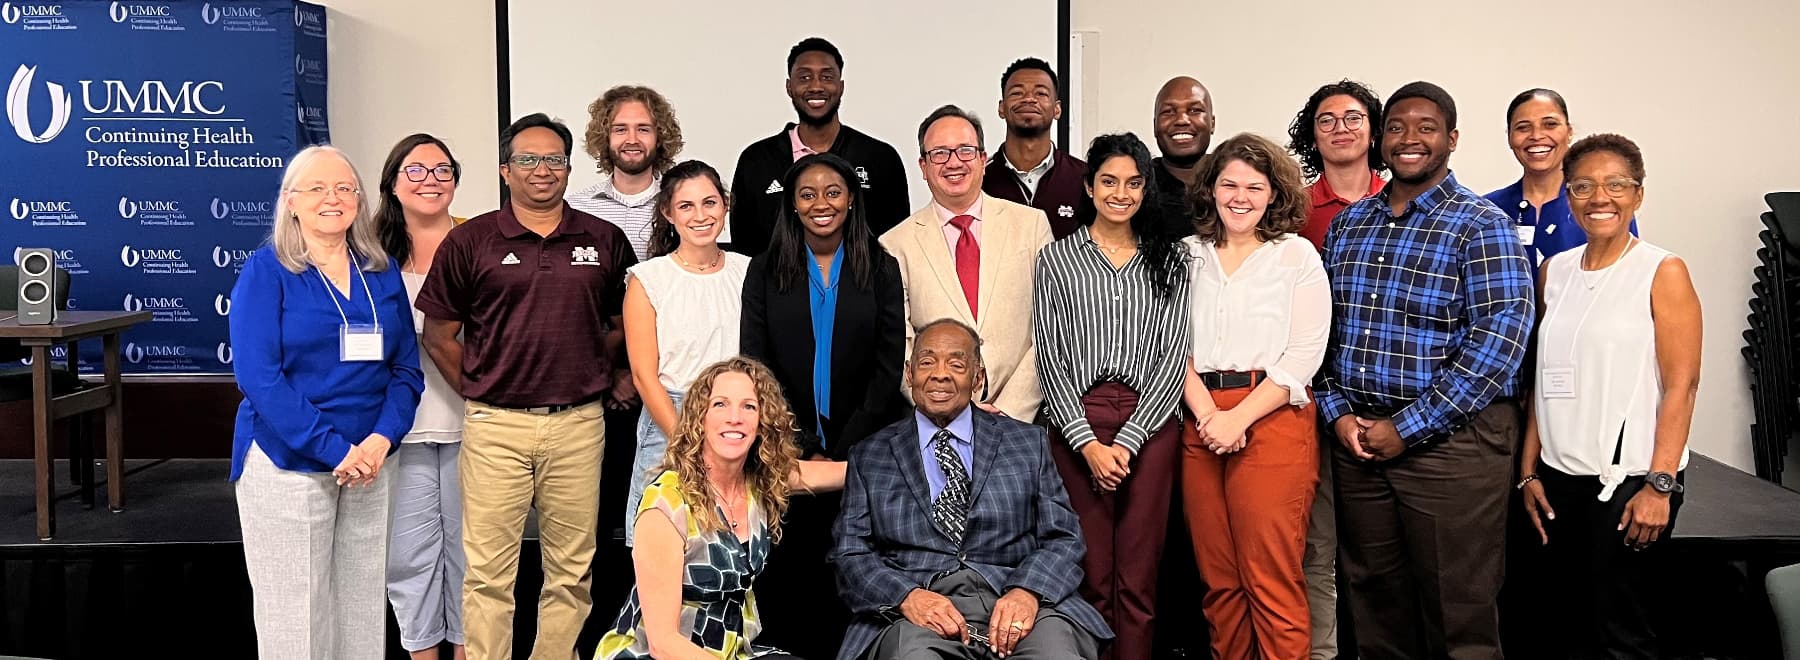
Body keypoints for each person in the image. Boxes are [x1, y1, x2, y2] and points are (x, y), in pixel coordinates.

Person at [1315, 82, 1534, 660]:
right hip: (1358, 444)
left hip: (1453, 449)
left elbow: (1499, 342)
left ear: (1452, 139)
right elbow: (1323, 333)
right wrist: (1338, 415)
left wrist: (1406, 428)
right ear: (1381, 140)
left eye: (1426, 127)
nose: (1410, 139)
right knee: (1376, 609)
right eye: (1397, 127)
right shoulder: (1350, 225)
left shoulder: (1480, 224)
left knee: (1457, 614)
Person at [416, 113, 637, 660]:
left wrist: (584, 359)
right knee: (489, 575)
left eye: (555, 160)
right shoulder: (469, 241)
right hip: (495, 429)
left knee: (570, 572)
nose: (543, 170)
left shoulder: (604, 239)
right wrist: (482, 385)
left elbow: (621, 325)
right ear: (504, 170)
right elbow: (439, 334)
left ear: (568, 168)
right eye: (528, 160)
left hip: (580, 427)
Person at [229, 144, 424, 660]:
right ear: (290, 201)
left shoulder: (379, 269)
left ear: (359, 201)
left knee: (361, 613)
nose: (332, 198)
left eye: (344, 188)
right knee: (296, 620)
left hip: (372, 463)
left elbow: (406, 369)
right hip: (289, 464)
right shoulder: (265, 271)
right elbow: (259, 379)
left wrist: (381, 440)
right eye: (316, 188)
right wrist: (337, 450)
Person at [1519, 134, 1701, 658]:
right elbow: (1543, 380)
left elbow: (1682, 386)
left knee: (1622, 635)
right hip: (1556, 483)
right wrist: (1529, 471)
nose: (1601, 197)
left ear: (1638, 195)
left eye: (1616, 184)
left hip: (1630, 487)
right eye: (1584, 186)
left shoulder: (1662, 271)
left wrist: (1660, 487)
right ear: (1568, 196)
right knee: (1562, 626)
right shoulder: (1555, 272)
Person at [832, 319, 1111, 660]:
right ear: (909, 374)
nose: (940, 374)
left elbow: (1064, 537)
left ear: (977, 378)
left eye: (957, 364)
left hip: (1021, 602)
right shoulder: (870, 456)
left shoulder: (1026, 443)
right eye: (927, 361)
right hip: (919, 612)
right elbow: (850, 553)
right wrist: (907, 597)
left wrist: (1028, 591)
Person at [741, 152, 909, 658]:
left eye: (833, 192)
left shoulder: (881, 267)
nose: (821, 203)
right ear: (792, 205)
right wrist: (804, 444)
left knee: (853, 568)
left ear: (851, 200)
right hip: (786, 453)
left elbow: (888, 363)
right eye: (807, 194)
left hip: (862, 448)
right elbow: (757, 363)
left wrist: (844, 446)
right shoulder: (765, 270)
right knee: (791, 574)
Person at [1032, 132, 1187, 660]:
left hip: (1151, 422)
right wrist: (1088, 445)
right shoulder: (1057, 260)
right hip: (1079, 419)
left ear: (1146, 189)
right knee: (1091, 574)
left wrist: (1130, 440)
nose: (1121, 193)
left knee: (1139, 581)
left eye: (1134, 182)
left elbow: (1173, 356)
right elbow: (1049, 356)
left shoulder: (1169, 259)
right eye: (1109, 181)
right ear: (1090, 187)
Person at [1180, 132, 1331, 660]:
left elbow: (1304, 355)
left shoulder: (1295, 256)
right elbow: (1169, 347)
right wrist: (1209, 417)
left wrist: (1237, 417)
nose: (1239, 197)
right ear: (1211, 190)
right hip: (1200, 418)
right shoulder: (1186, 256)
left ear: (1273, 194)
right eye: (1228, 184)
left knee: (1270, 580)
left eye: (1254, 186)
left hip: (1272, 418)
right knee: (1220, 583)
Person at [598, 357, 848, 660]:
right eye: (720, 404)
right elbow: (663, 644)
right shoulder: (665, 505)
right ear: (699, 418)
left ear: (762, 423)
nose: (735, 417)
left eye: (749, 406)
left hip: (730, 652)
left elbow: (817, 474)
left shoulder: (758, 481)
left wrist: (889, 459)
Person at [1282, 78, 1384, 660]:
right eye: (1326, 119)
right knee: (1314, 548)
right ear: (1311, 133)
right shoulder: (1293, 210)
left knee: (1377, 551)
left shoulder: (1403, 203)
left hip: (1386, 409)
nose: (1340, 128)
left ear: (1373, 128)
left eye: (1352, 117)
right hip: (1312, 401)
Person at [881, 105, 1053, 421]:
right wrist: (938, 404)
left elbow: (1050, 326)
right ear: (923, 165)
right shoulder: (894, 245)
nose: (954, 162)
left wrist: (1010, 409)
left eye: (965, 150)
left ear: (983, 159)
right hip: (936, 419)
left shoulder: (1031, 226)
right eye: (940, 154)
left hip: (1020, 419)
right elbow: (899, 343)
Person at [374, 133, 469, 660]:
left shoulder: (480, 240)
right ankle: (422, 652)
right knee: (407, 557)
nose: (430, 180)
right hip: (397, 429)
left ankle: (464, 651)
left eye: (442, 170)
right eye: (416, 170)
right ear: (392, 182)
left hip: (472, 421)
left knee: (469, 556)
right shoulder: (365, 252)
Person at [621, 160, 750, 546]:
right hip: (670, 422)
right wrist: (690, 442)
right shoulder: (649, 279)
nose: (700, 216)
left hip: (736, 419)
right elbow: (644, 375)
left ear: (725, 205)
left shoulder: (748, 271)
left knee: (731, 545)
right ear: (668, 212)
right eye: (686, 206)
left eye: (709, 203)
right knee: (663, 546)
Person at [728, 37, 911, 256]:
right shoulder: (756, 161)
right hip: (777, 288)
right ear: (789, 86)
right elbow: (744, 248)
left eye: (826, 77)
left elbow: (897, 245)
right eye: (804, 77)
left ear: (841, 86)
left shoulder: (880, 157)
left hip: (863, 288)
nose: (816, 86)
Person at [1485, 88, 1638, 273]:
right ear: (1509, 137)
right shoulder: (1488, 209)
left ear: (1569, 131)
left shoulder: (1600, 206)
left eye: (1550, 124)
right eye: (1523, 127)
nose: (1536, 136)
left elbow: (1627, 275)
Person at [569, 85, 684, 262]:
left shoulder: (681, 205)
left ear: (660, 137)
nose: (632, 140)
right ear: (605, 137)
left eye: (643, 129)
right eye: (620, 129)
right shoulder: (574, 209)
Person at [983, 57, 1088, 239]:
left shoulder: (1084, 178)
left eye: (1041, 93)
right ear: (1001, 108)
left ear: (1057, 109)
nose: (1029, 99)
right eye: (1017, 93)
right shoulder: (980, 179)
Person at [1145, 76, 1214, 237]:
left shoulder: (1235, 182)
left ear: (1212, 123)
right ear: (1155, 126)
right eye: (1168, 112)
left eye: (1195, 110)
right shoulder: (1137, 185)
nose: (1182, 120)